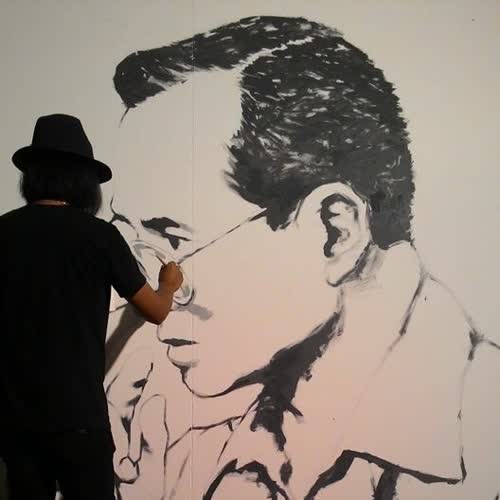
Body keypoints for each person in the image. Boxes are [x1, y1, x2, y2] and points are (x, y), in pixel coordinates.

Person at [106, 16, 500, 500]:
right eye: (130, 246)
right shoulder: (152, 401)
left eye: (173, 243)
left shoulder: (480, 435)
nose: (143, 290)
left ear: (335, 229)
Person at [0, 114, 183, 500]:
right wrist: (168, 285)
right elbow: (155, 311)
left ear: (31, 176)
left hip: (17, 423)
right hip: (81, 420)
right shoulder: (99, 236)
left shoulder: (3, 231)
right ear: (84, 181)